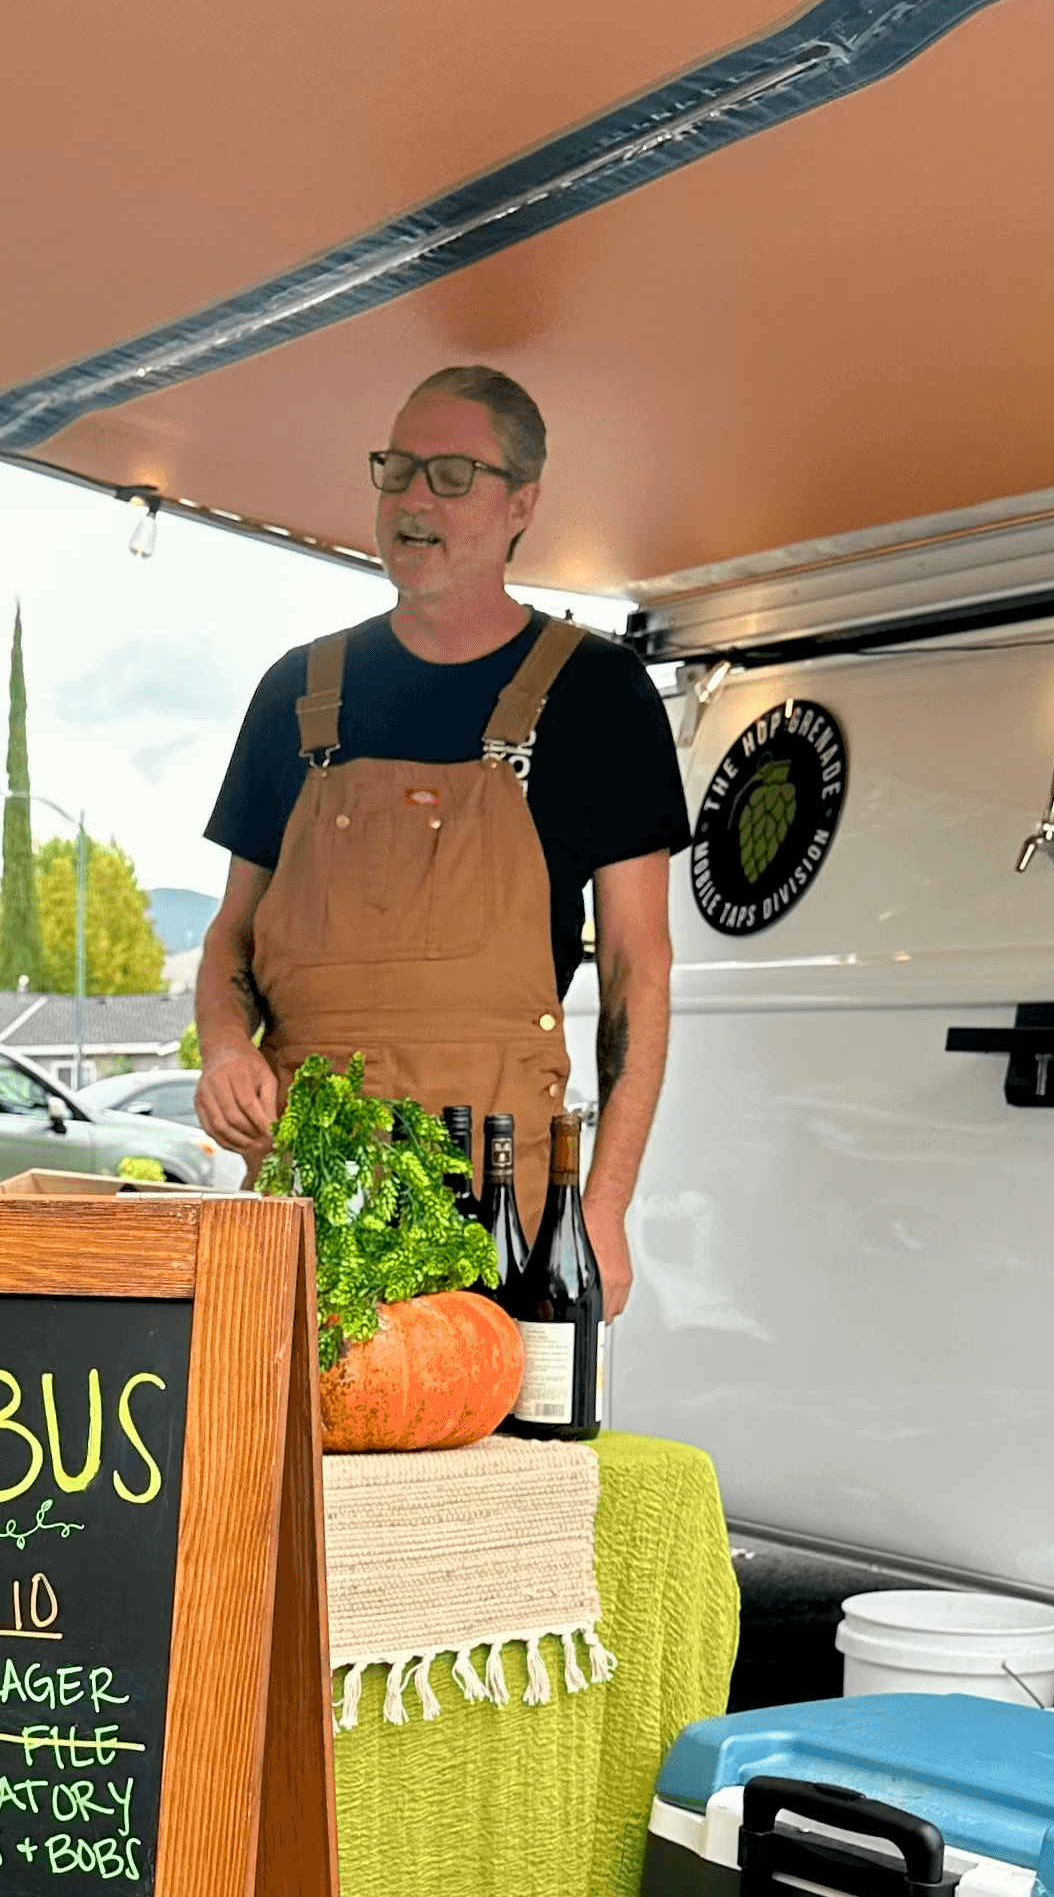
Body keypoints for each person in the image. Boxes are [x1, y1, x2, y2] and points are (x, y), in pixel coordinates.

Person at [193, 366, 687, 1296]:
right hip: (307, 1210)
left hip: (500, 1215)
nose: (414, 499)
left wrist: (606, 1208)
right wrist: (225, 1046)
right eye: (397, 469)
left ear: (521, 503)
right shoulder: (295, 691)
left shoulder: (601, 694)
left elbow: (638, 966)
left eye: (452, 475)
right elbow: (231, 934)